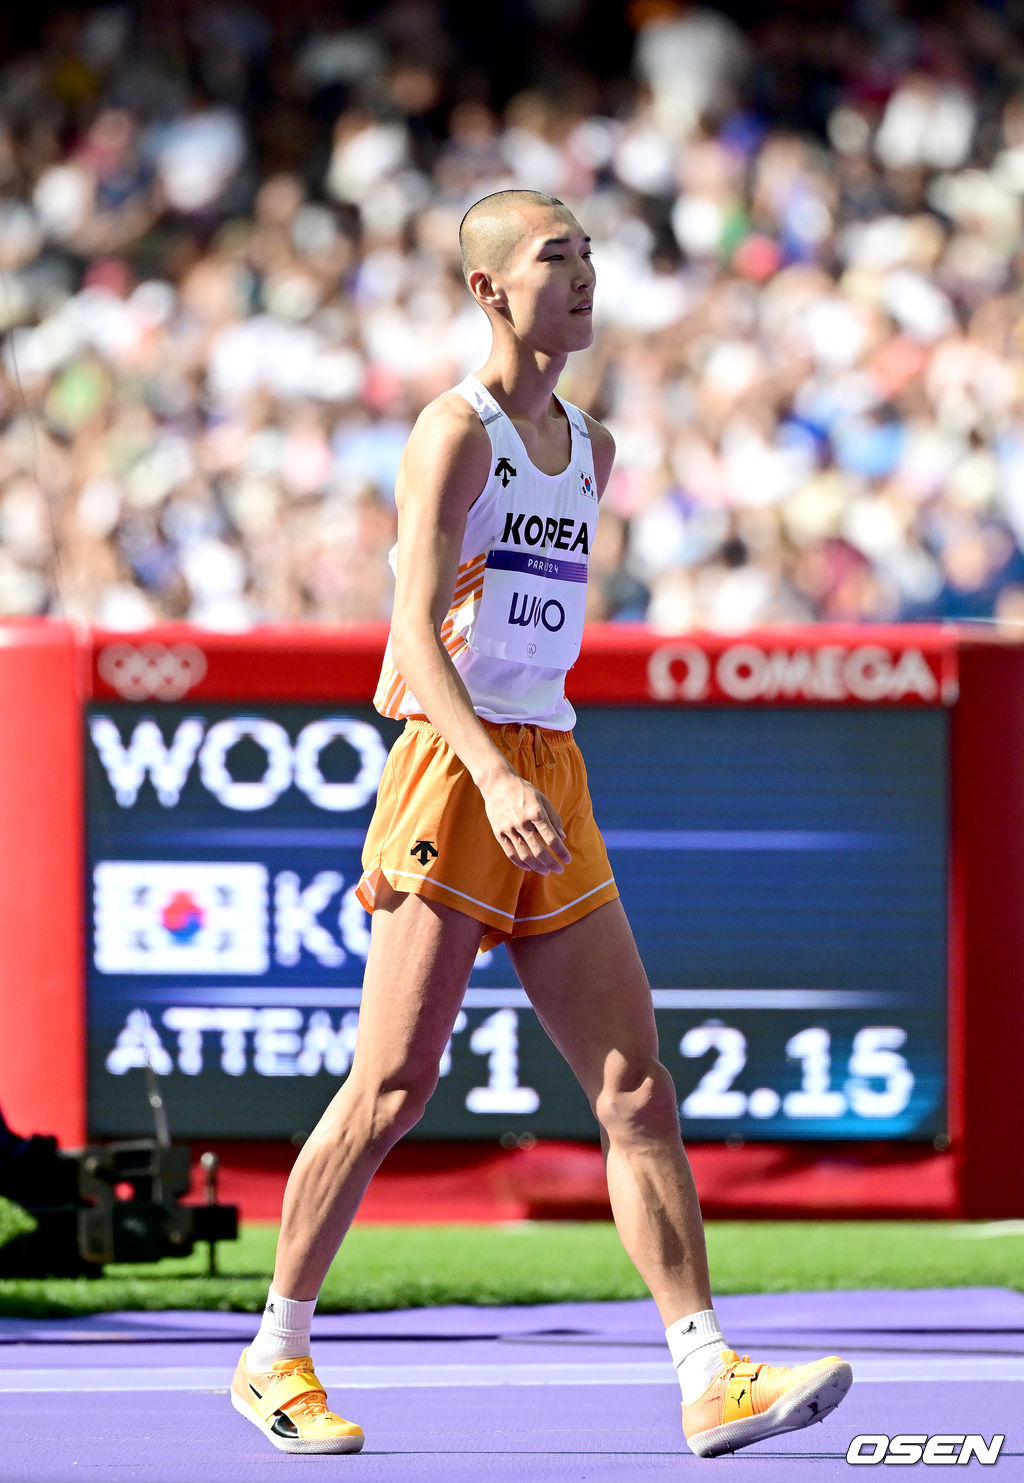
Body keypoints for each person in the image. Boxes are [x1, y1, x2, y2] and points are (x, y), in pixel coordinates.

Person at [229, 188, 853, 1460]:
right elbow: (409, 633)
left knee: (636, 1091)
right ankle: (274, 1351)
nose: (582, 281)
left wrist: (530, 767)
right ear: (487, 292)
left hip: (548, 761)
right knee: (393, 1086)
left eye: (589, 260)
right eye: (553, 261)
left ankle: (708, 1370)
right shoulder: (451, 433)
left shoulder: (594, 445)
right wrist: (488, 771)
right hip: (454, 772)